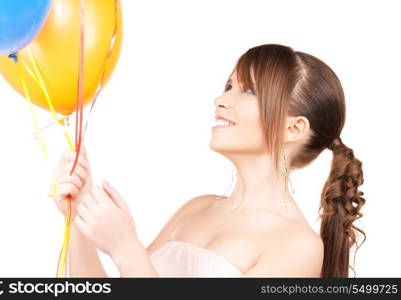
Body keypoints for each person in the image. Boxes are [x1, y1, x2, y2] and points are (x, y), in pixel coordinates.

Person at [52, 43, 365, 278]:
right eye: (229, 86)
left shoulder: (298, 247)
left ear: (293, 128)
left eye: (250, 92)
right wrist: (78, 217)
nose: (221, 99)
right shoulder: (196, 207)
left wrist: (125, 248)